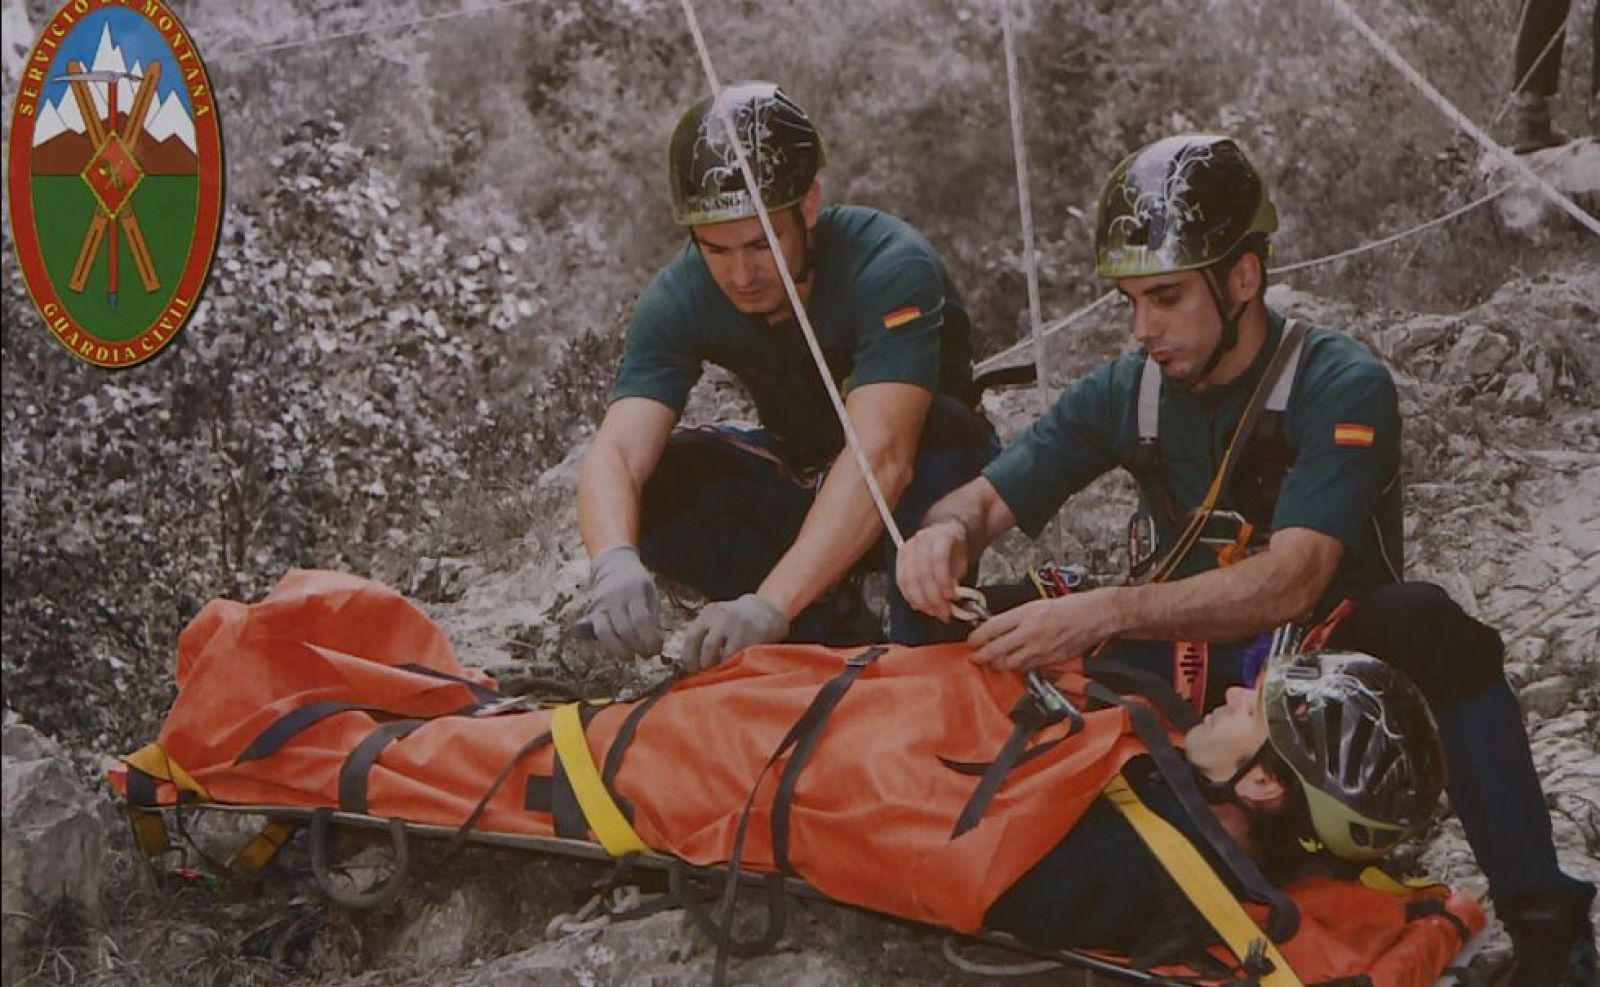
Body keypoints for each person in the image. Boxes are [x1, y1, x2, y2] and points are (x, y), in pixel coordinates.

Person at [897, 134, 1597, 986]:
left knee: (1429, 623)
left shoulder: (1339, 383)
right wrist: (946, 535)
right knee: (967, 619)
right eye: (1131, 302)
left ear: (1242, 279)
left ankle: (1544, 918)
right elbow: (984, 498)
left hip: (1329, 672)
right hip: (1195, 660)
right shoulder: (1128, 389)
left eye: (1166, 297)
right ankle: (928, 827)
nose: (1144, 328)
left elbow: (1296, 578)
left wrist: (1103, 610)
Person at [578, 81, 997, 671]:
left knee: (938, 432)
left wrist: (769, 604)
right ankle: (823, 624)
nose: (741, 274)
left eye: (761, 244)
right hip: (804, 473)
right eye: (716, 249)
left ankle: (920, 645)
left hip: (926, 480)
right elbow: (618, 450)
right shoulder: (679, 294)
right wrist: (613, 560)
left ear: (808, 206)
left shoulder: (891, 263)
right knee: (666, 478)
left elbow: (885, 456)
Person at [989, 649, 1447, 957]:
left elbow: (989, 881)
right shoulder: (1203, 831)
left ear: (1262, 783)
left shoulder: (1123, 868)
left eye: (1251, 711)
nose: (1231, 694)